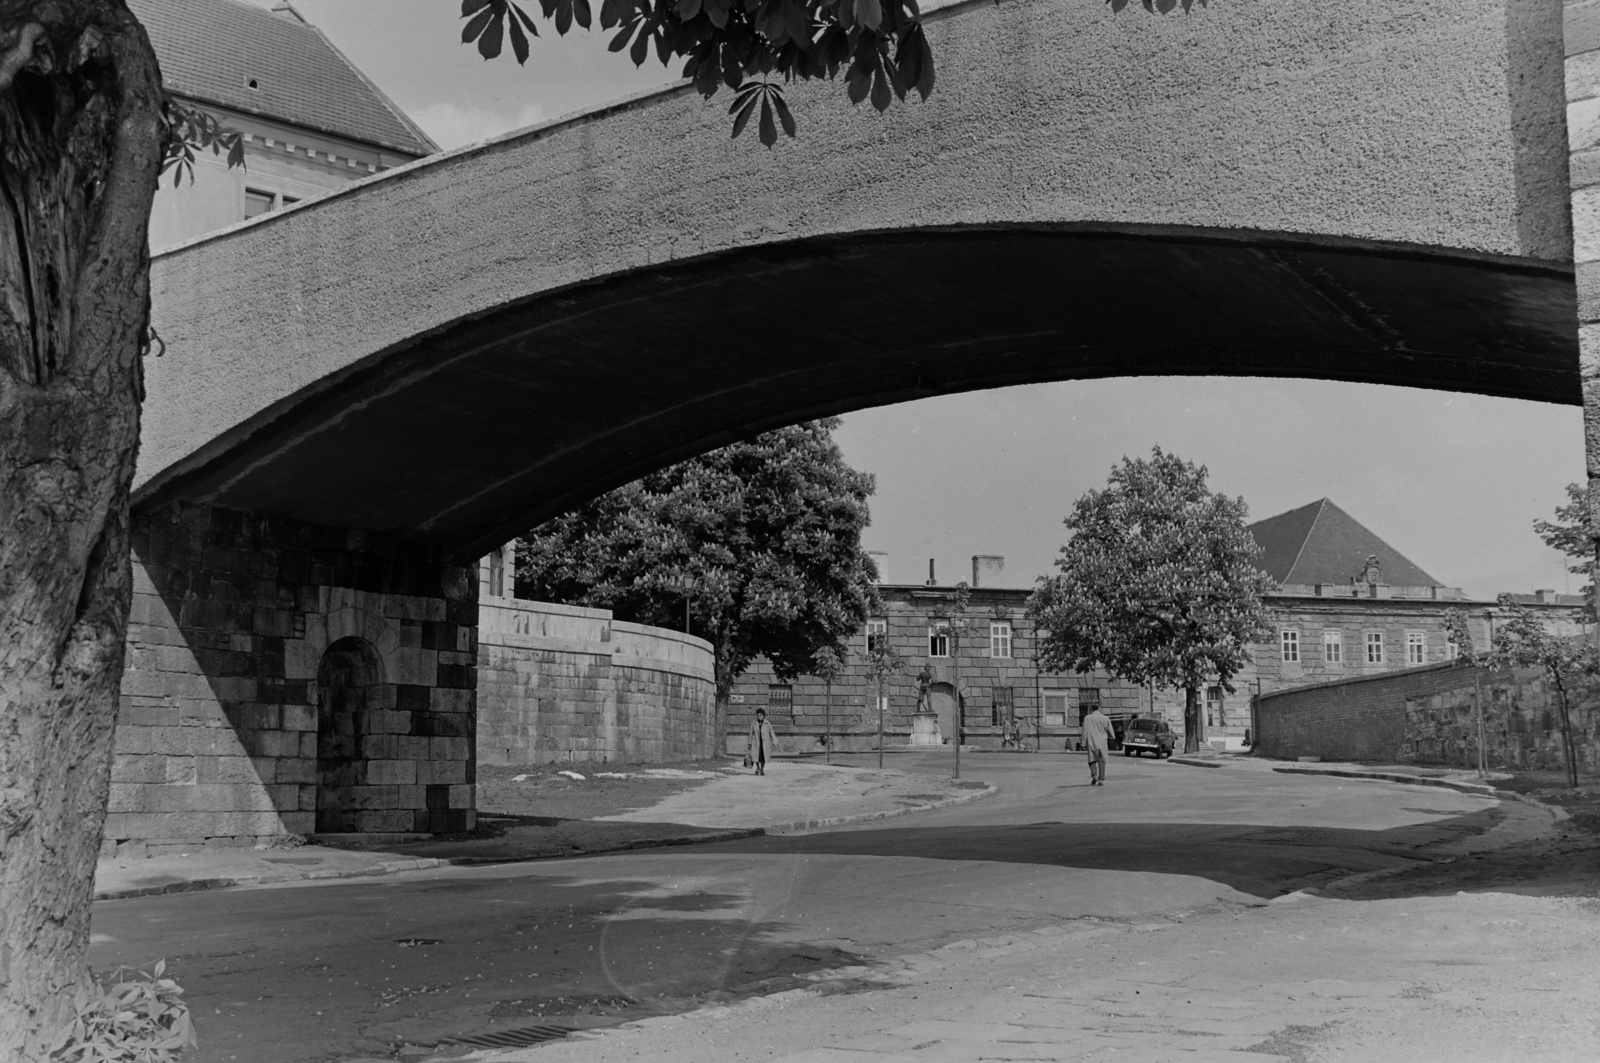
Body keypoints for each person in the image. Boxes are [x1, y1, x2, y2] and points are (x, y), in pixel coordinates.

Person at [1081, 704, 1116, 786]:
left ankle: (1095, 775)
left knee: (1091, 760)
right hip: (1102, 743)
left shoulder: (1087, 718)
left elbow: (1084, 732)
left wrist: (1083, 743)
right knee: (1102, 761)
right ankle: (1101, 779)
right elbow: (1111, 732)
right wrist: (1112, 737)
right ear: (1099, 708)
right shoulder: (1105, 718)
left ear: (1091, 709)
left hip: (1092, 742)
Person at [748, 708, 778, 776]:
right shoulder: (753, 724)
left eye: (760, 715)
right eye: (758, 715)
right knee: (756, 757)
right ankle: (758, 767)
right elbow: (750, 734)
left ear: (763, 716)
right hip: (756, 743)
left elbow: (771, 733)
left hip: (764, 743)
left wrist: (775, 741)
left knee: (763, 757)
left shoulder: (767, 723)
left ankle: (762, 769)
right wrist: (749, 743)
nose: (759, 717)